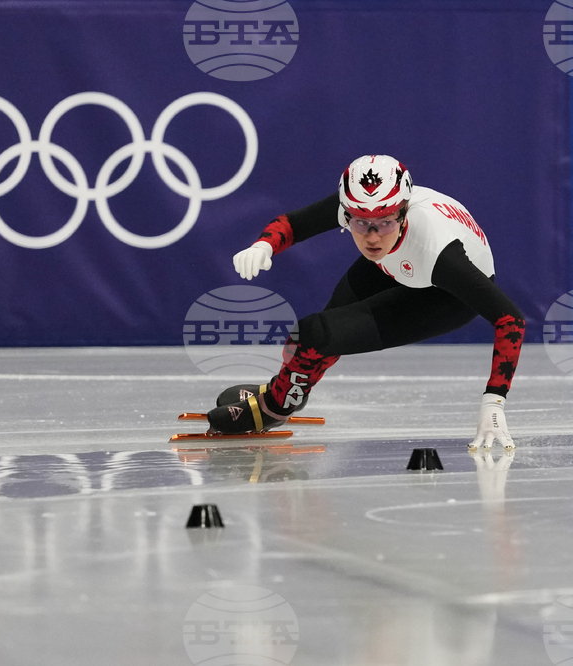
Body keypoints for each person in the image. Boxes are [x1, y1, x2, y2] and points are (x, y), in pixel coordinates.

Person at [207, 155, 525, 449]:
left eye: (384, 222)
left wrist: (493, 401)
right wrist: (264, 245)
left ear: (404, 212)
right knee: (307, 342)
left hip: (445, 294)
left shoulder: (441, 253)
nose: (372, 237)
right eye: (360, 223)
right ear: (347, 213)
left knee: (315, 334)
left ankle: (274, 408)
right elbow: (296, 224)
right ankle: (285, 389)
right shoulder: (364, 209)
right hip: (395, 261)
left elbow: (511, 320)